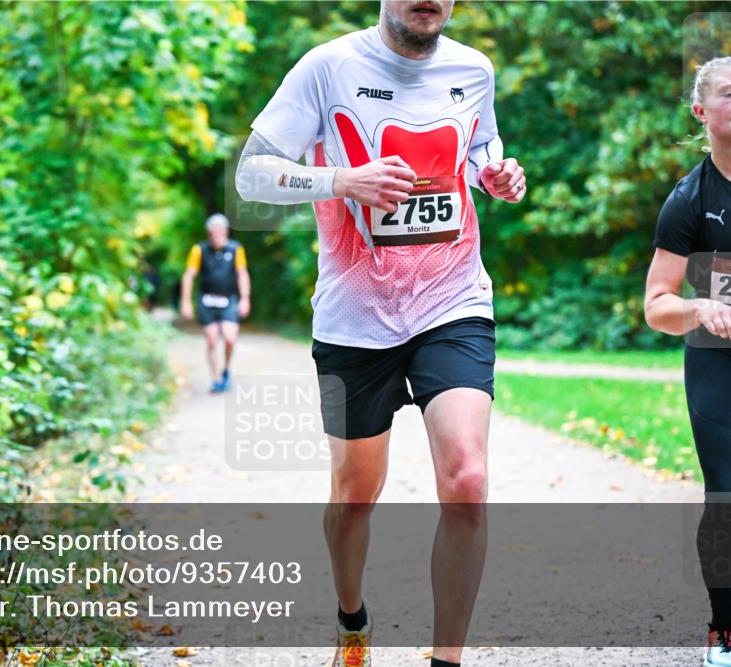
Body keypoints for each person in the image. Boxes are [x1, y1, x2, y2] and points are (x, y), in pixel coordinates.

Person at [235, 1, 525, 665]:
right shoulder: (326, 68)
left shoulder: (473, 70)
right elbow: (251, 174)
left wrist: (500, 175)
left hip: (452, 301)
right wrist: (343, 179)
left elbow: (482, 153)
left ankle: (445, 658)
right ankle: (351, 617)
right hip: (353, 319)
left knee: (468, 477)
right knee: (354, 495)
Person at [643, 55, 731, 667]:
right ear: (701, 112)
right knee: (727, 493)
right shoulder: (689, 199)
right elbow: (657, 305)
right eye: (730, 93)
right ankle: (725, 629)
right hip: (720, 360)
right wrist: (700, 307)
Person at [180, 213, 251, 393]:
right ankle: (216, 378)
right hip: (207, 300)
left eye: (219, 231)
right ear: (208, 232)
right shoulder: (199, 250)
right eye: (213, 232)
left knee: (230, 337)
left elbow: (242, 274)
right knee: (212, 340)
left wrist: (245, 299)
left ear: (225, 231)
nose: (216, 234)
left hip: (229, 300)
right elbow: (189, 275)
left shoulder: (236, 249)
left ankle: (226, 368)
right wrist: (186, 302)